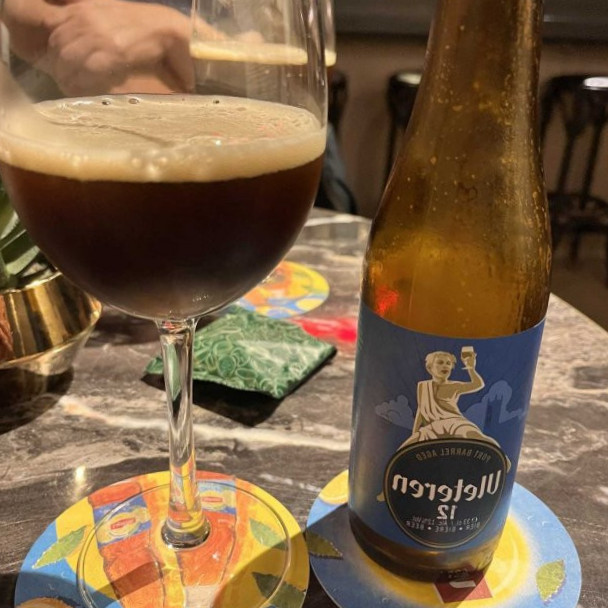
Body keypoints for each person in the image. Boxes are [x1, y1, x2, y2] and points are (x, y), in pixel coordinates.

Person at [0, 0, 357, 212]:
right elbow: (51, 28)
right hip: (80, 183)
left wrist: (174, 31)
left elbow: (288, 76)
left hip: (287, 191)